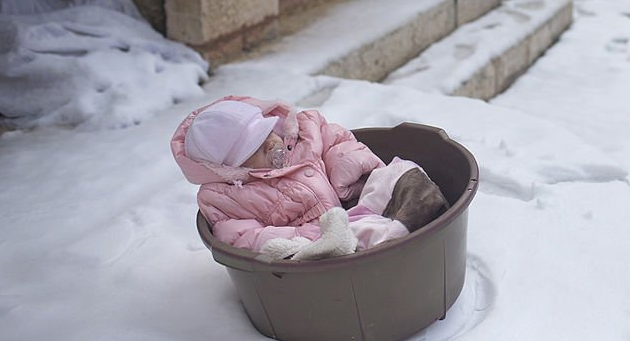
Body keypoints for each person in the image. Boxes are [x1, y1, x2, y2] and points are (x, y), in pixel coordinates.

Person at [170, 96, 448, 261]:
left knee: (400, 171)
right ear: (229, 169)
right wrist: (309, 236)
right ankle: (400, 237)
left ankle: (409, 218)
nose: (271, 144)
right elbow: (243, 237)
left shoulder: (304, 135)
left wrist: (348, 169)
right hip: (324, 240)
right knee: (352, 239)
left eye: (268, 133)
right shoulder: (225, 199)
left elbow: (338, 143)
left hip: (357, 204)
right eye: (254, 148)